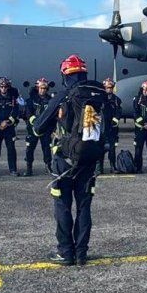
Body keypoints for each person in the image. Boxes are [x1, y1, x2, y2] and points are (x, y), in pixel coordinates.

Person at [31, 54, 107, 267]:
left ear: (65, 75)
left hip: (64, 161)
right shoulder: (98, 96)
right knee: (84, 206)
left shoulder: (63, 96)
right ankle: (81, 253)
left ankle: (66, 252)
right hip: (89, 160)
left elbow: (38, 128)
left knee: (63, 206)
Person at [23, 78, 54, 177]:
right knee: (29, 149)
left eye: (44, 88)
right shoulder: (31, 100)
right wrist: (35, 122)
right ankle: (29, 169)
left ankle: (48, 167)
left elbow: (52, 115)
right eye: (41, 88)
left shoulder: (50, 101)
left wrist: (50, 128)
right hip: (32, 129)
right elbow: (28, 113)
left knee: (47, 149)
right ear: (37, 88)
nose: (43, 90)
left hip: (45, 129)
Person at [99, 78, 123, 174]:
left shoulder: (116, 100)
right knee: (100, 148)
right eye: (107, 88)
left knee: (112, 149)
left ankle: (113, 166)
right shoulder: (99, 99)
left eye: (111, 88)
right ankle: (99, 168)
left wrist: (115, 120)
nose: (109, 90)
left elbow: (119, 111)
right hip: (101, 128)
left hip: (112, 128)